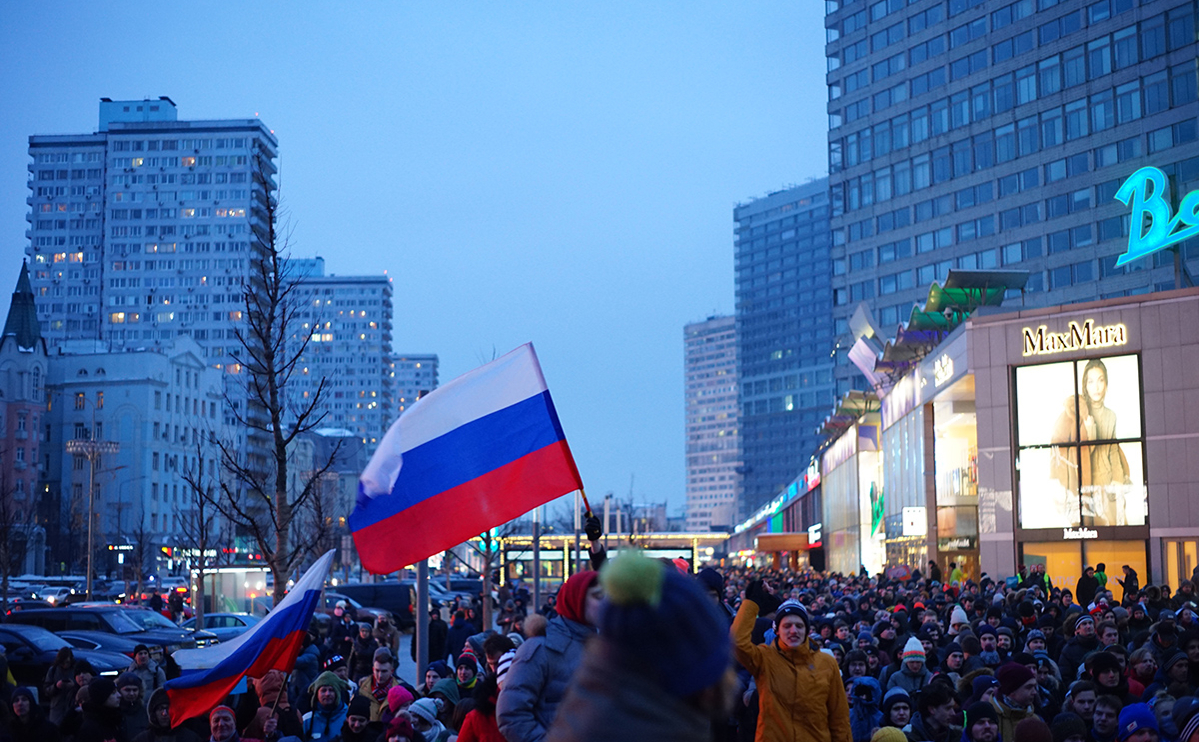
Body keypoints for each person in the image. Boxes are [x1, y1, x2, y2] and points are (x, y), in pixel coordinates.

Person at [730, 580, 850, 742]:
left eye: (799, 626)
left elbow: (839, 718)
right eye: (787, 626)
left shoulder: (827, 663)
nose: (793, 631)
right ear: (777, 630)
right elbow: (737, 643)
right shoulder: (765, 659)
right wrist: (752, 603)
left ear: (807, 630)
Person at [496, 570, 602, 742]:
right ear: (577, 599)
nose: (605, 603)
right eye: (597, 596)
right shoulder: (539, 648)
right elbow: (511, 714)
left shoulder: (603, 647)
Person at [991, 662, 1039, 742]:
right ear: (1012, 691)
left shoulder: (1034, 719)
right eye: (1029, 687)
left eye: (1034, 687)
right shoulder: (990, 720)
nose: (1034, 692)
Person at [133, 690, 203, 742]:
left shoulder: (190, 738)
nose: (164, 713)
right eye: (160, 709)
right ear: (153, 713)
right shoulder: (144, 739)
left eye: (168, 708)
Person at [355, 652, 403, 723]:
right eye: (377, 671)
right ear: (373, 669)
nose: (380, 675)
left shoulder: (400, 691)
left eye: (384, 671)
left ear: (391, 671)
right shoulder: (361, 689)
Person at [302, 672, 349, 741]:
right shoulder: (306, 720)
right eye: (323, 690)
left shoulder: (348, 718)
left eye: (331, 690)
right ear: (316, 694)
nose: (327, 694)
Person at [75, 677, 124, 742]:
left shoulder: (115, 719)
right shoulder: (90, 728)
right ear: (102, 696)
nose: (119, 695)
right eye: (113, 693)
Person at [45, 647, 78, 726]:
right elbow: (46, 690)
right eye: (63, 663)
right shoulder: (53, 671)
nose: (65, 665)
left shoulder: (76, 670)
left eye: (67, 662)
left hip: (71, 709)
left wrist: (73, 686)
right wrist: (56, 687)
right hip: (56, 709)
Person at [118, 672, 150, 741]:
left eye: (135, 690)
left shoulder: (146, 711)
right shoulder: (114, 711)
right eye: (127, 690)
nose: (132, 694)